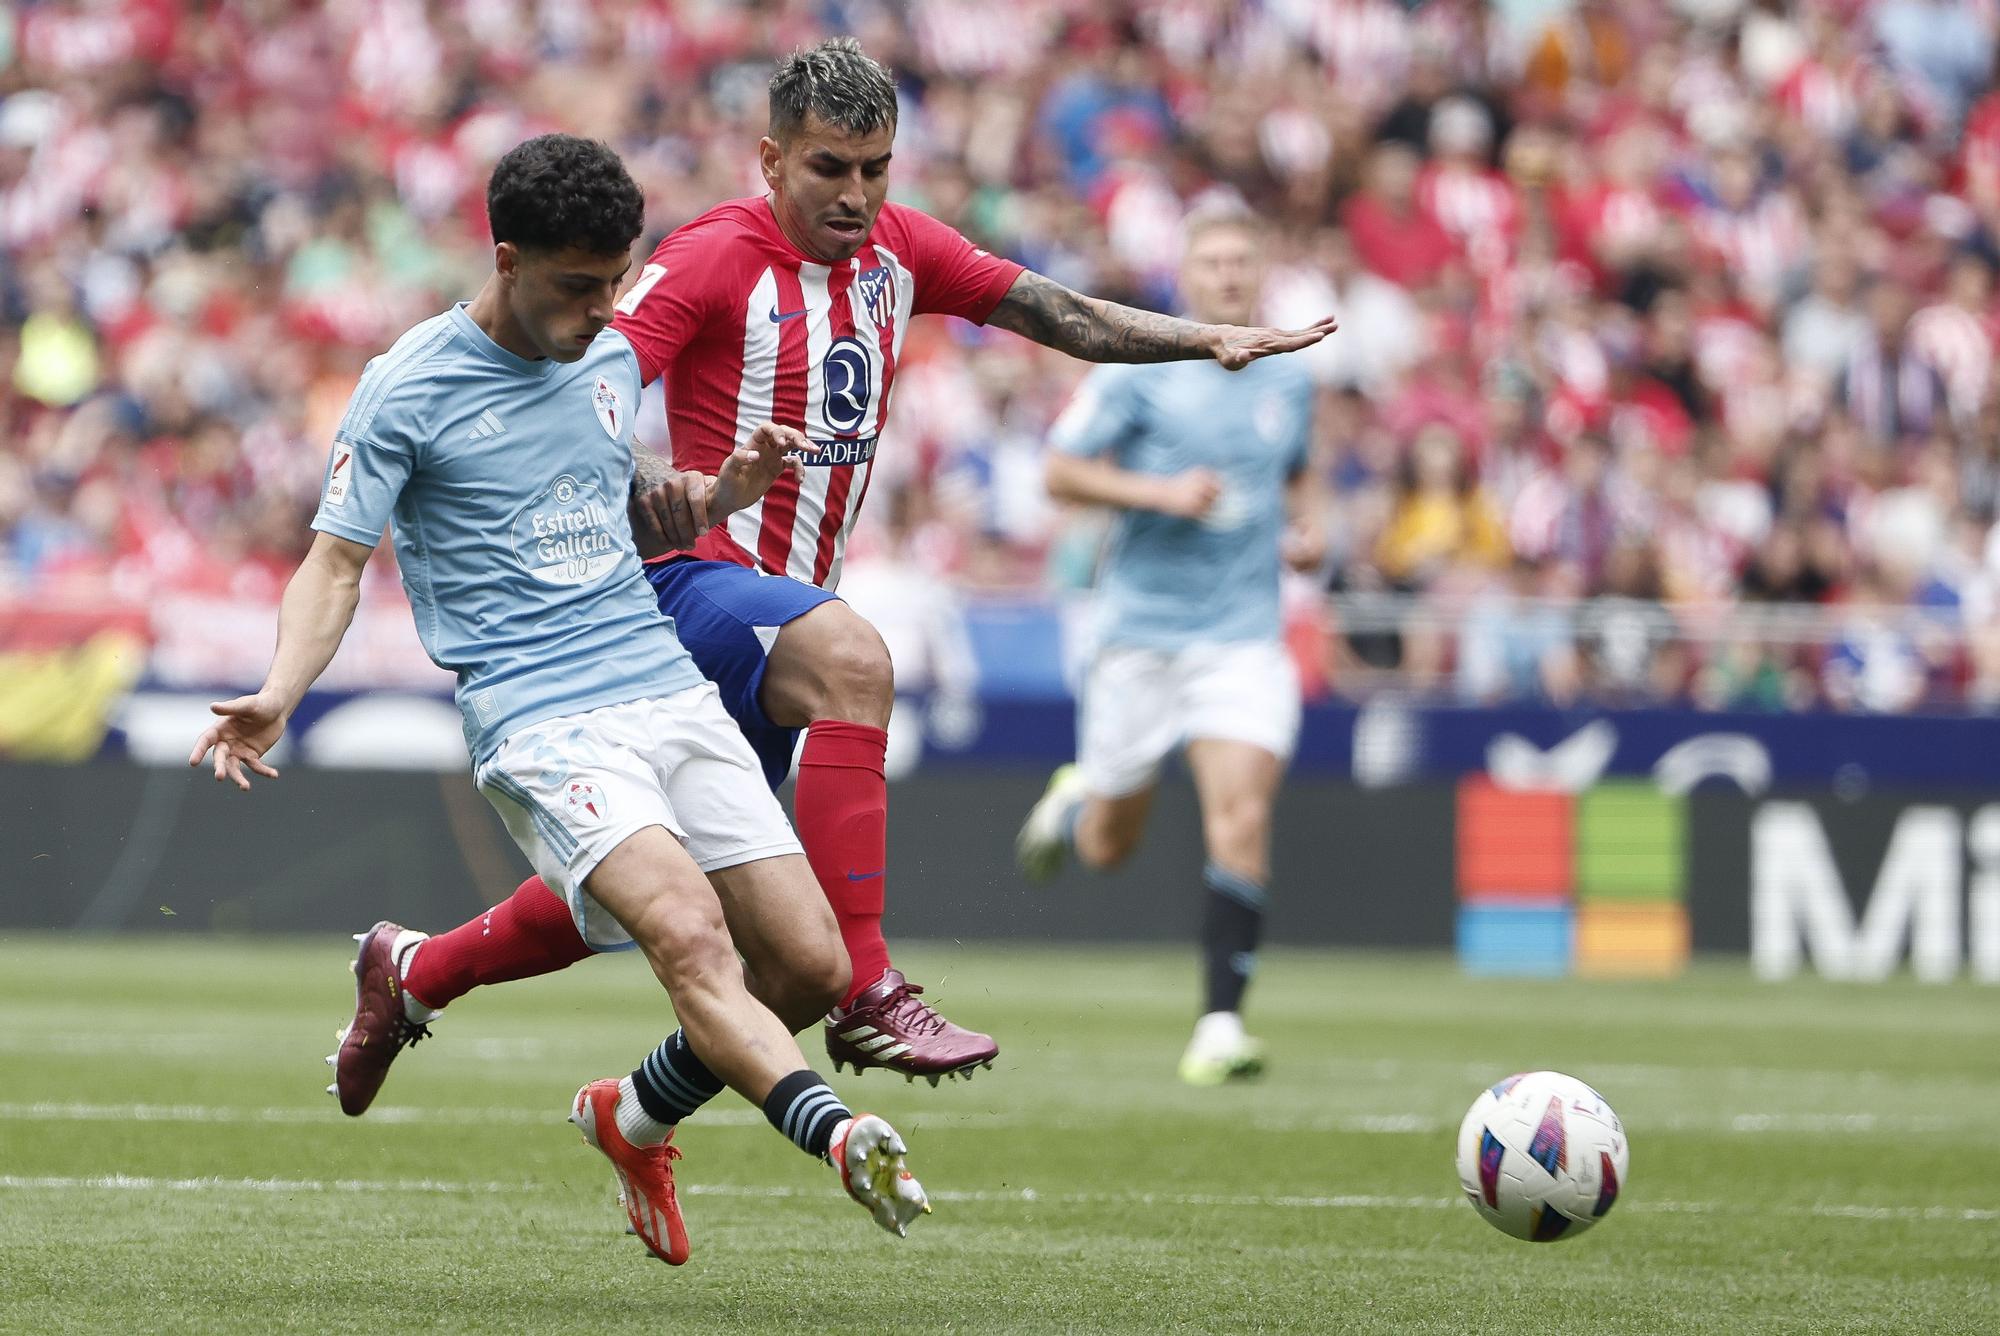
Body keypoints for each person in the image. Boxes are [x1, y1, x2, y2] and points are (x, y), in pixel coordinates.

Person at [348, 37, 1337, 1091]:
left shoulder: (901, 251)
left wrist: (1204, 340)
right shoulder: (710, 258)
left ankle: (437, 986)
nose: (855, 193)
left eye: (874, 169)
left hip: (771, 614)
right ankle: (872, 992)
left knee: (667, 918)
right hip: (684, 588)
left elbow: (1061, 314)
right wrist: (656, 488)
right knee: (853, 660)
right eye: (828, 167)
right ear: (770, 160)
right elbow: (578, 389)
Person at [189, 134, 928, 1266]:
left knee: (810, 966)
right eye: (577, 288)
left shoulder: (606, 361)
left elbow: (600, 507)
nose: (603, 312)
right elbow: (335, 562)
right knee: (691, 938)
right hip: (538, 715)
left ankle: (626, 1118)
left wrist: (705, 496)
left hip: (661, 684)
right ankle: (839, 1136)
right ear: (506, 259)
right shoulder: (409, 384)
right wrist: (281, 689)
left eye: (615, 283)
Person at [1013, 207, 1325, 1086]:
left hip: (1242, 639)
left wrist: (1310, 533)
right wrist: (1160, 493)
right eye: (1213, 263)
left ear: (1259, 271)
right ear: (1187, 276)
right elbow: (1058, 471)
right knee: (1112, 845)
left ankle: (1220, 1024)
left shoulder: (1287, 377)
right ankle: (1078, 800)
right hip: (1141, 638)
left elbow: (1300, 476)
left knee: (1242, 815)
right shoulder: (1139, 368)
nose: (1228, 276)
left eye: (1241, 261)